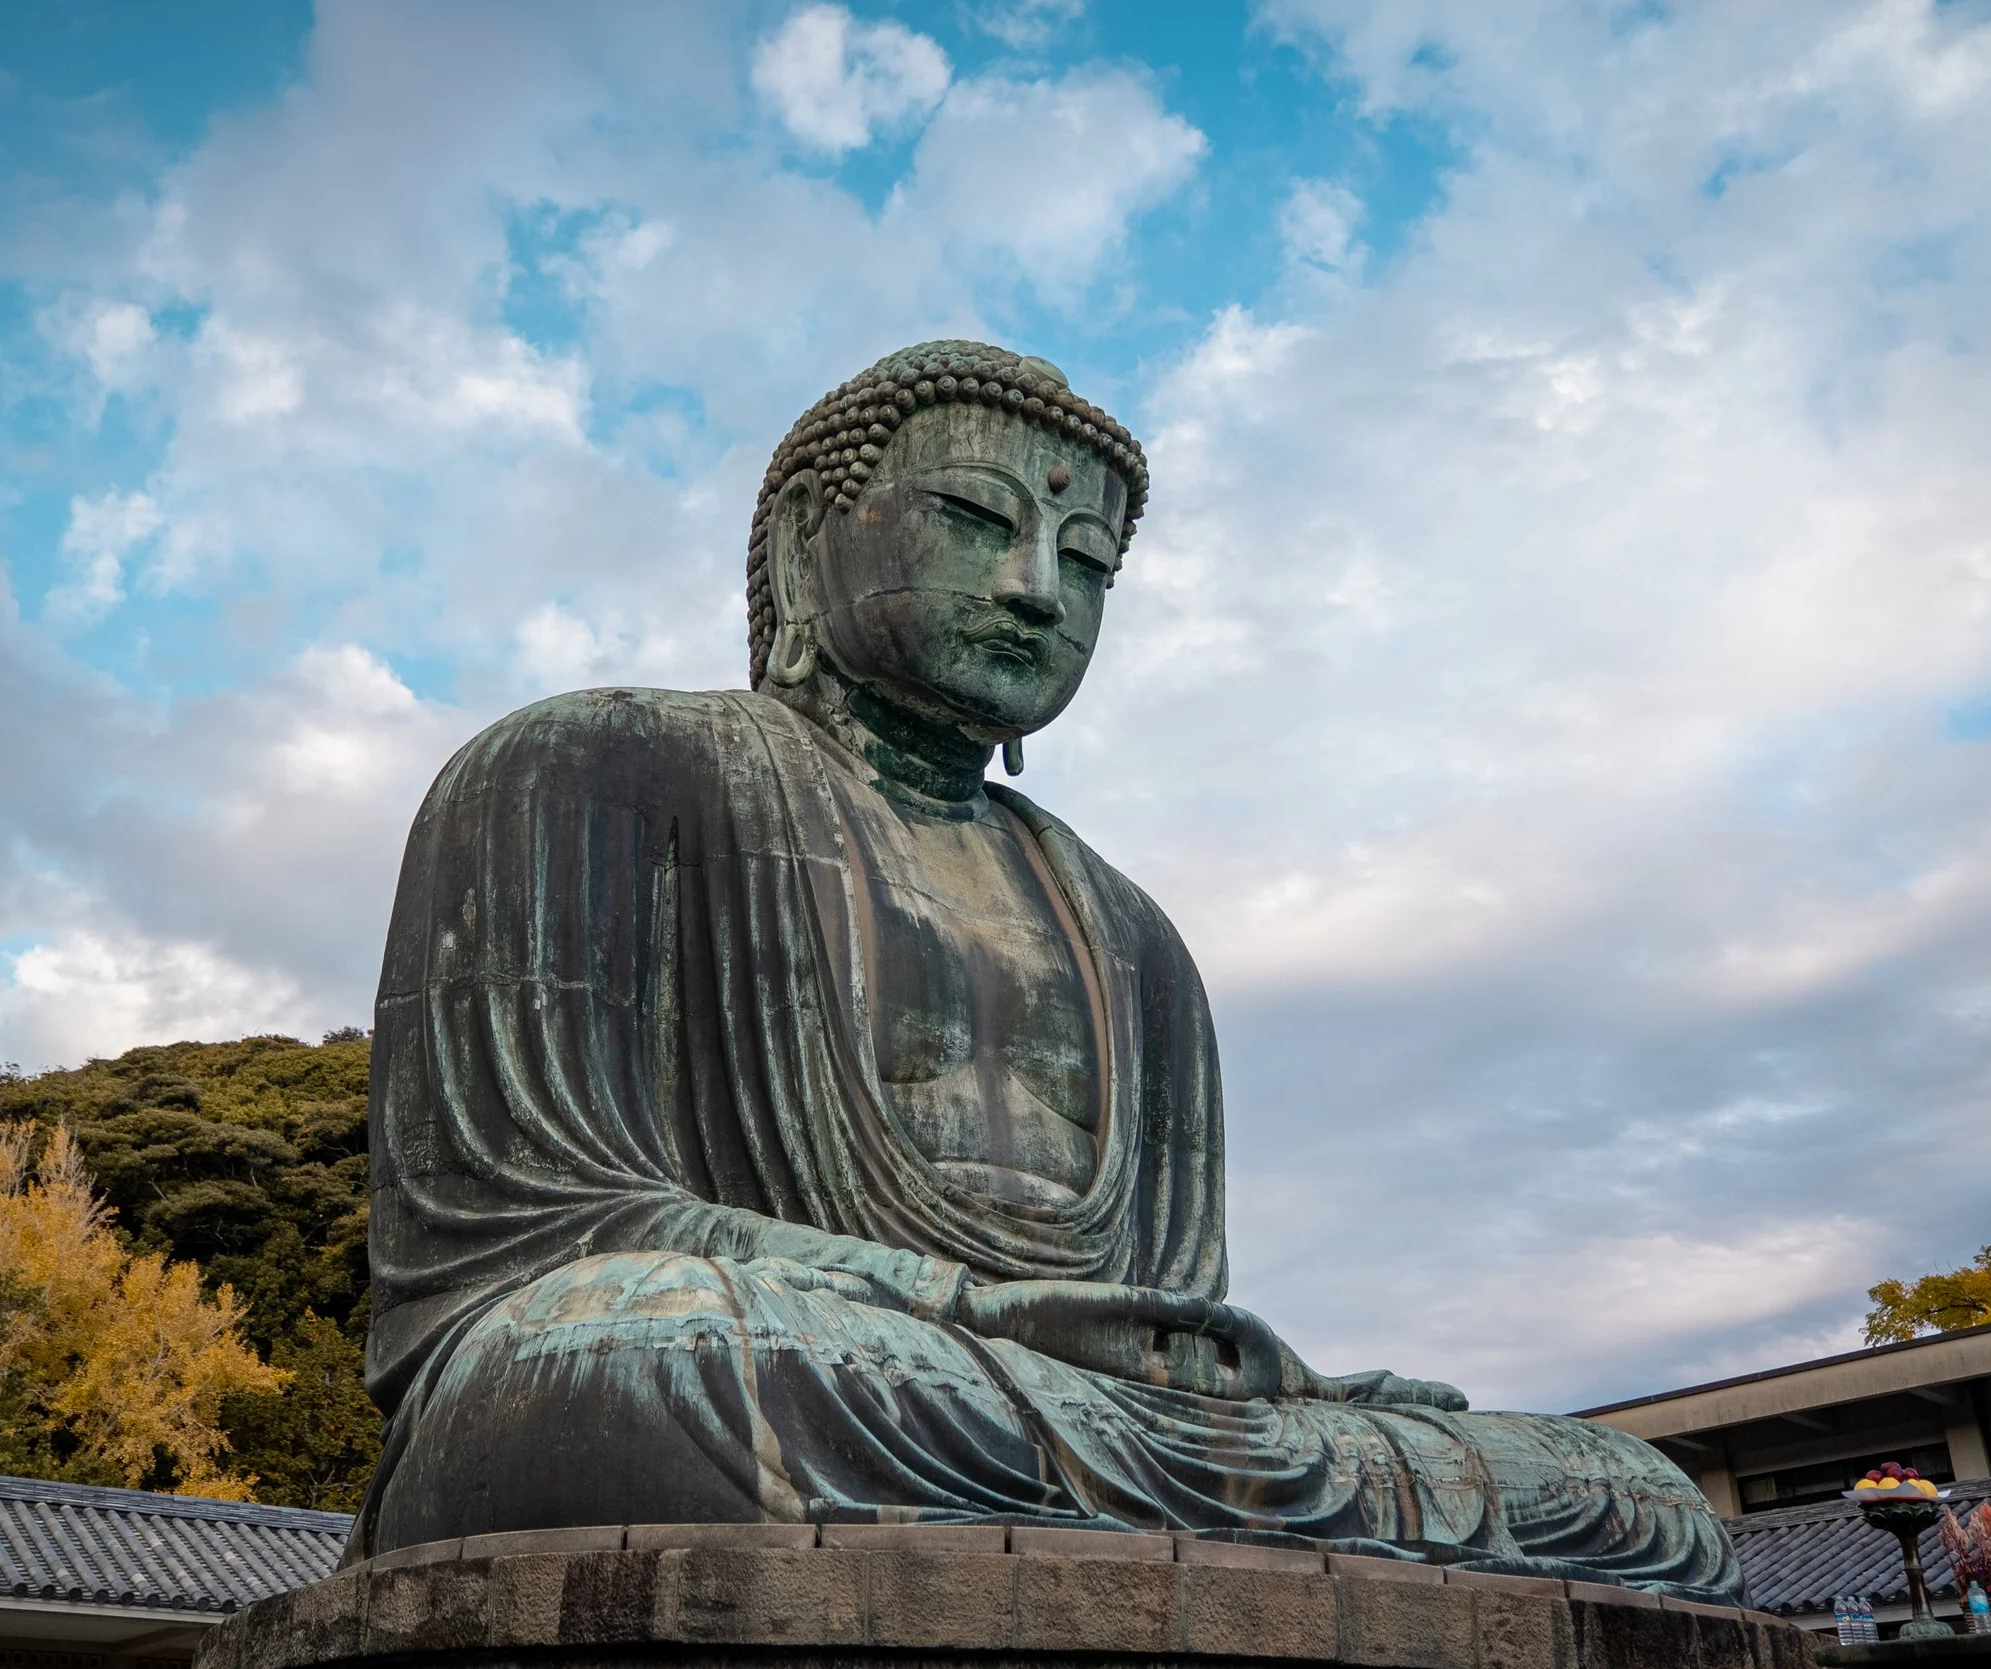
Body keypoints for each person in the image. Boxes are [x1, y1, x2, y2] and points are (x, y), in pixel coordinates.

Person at [348, 339, 1742, 1601]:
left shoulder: (1130, 932)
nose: (1036, 589)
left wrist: (1235, 1380)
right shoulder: (587, 768)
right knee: (632, 1364)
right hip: (767, 1356)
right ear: (799, 542)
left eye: (1086, 564)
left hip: (1056, 1411)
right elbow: (519, 1240)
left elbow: (1165, 1316)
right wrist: (961, 1309)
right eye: (975, 521)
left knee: (1629, 1495)